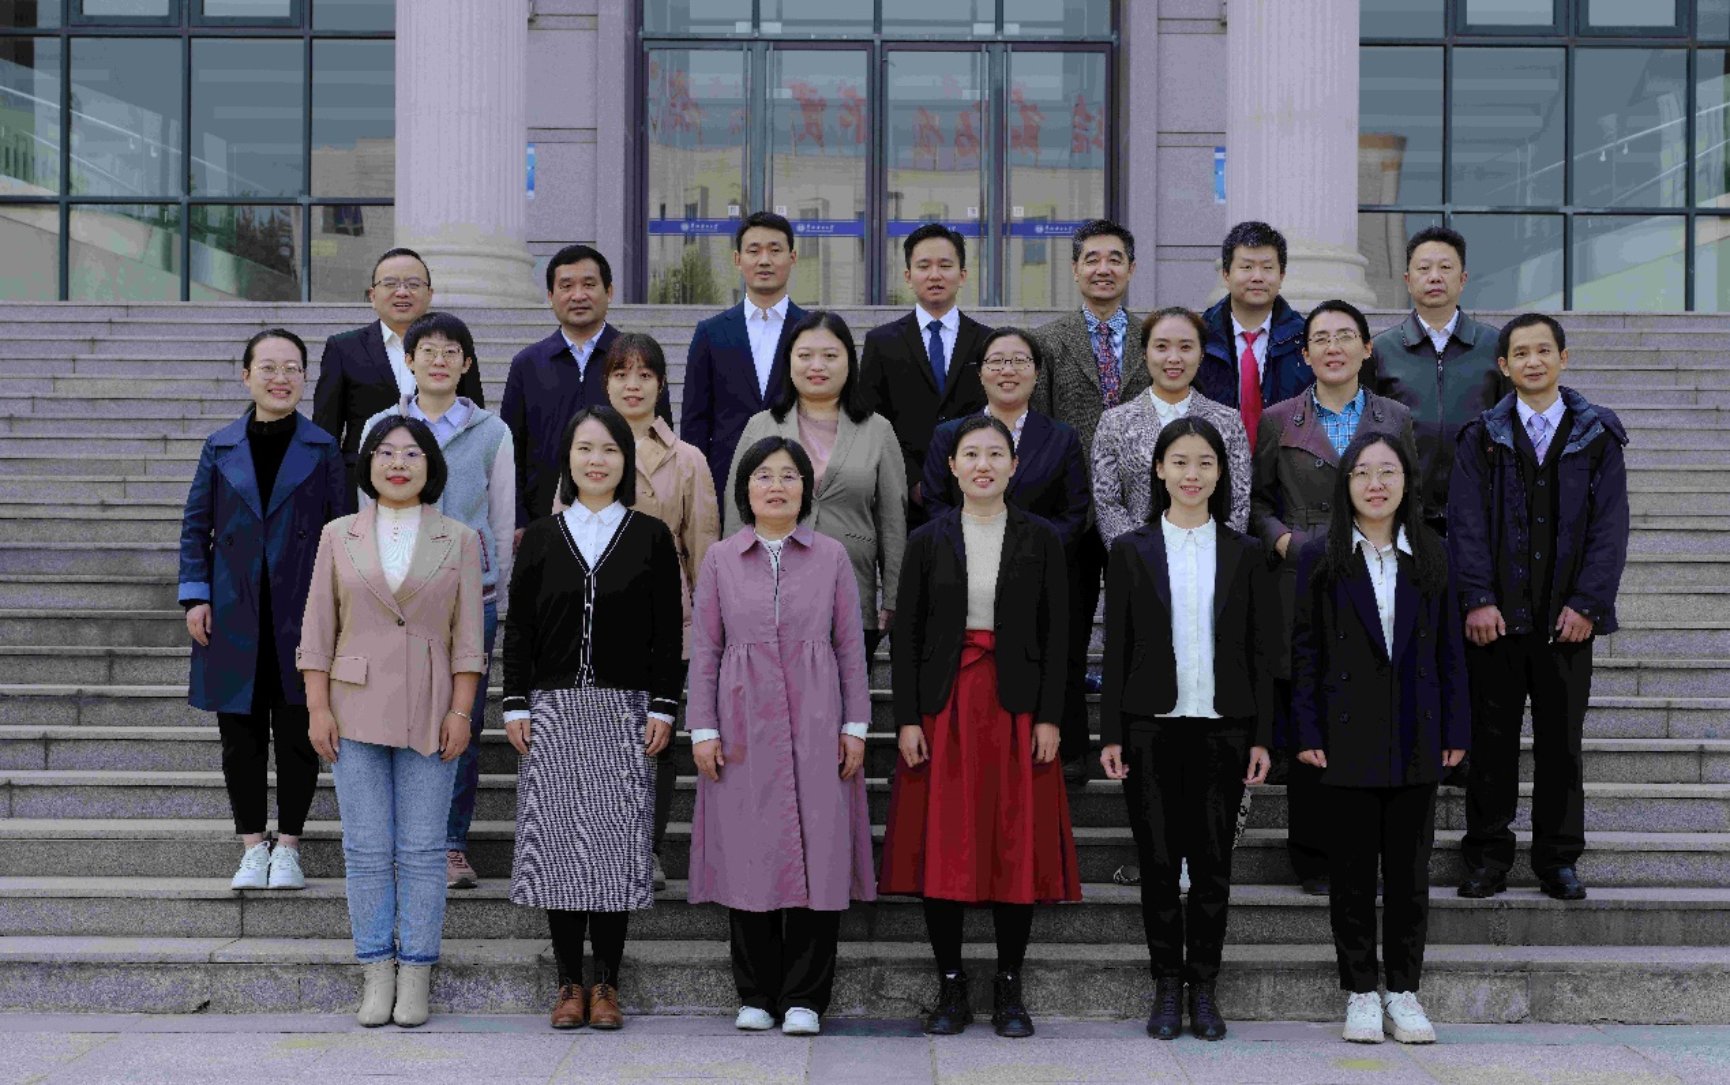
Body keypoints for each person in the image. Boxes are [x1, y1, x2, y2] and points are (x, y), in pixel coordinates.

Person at [881, 415, 1080, 1039]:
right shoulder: (928, 540)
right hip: (945, 707)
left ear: (1014, 466)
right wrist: (907, 719)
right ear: (952, 466)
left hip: (1016, 708)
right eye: (971, 454)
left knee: (1013, 845)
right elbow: (907, 639)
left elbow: (1058, 636)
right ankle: (951, 985)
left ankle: (1009, 986)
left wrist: (1051, 717)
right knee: (945, 846)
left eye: (996, 454)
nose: (983, 465)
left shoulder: (1041, 539)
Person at [297, 416, 486, 1028]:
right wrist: (317, 707)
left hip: (432, 707)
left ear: (432, 466)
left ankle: (417, 973)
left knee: (426, 850)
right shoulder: (338, 535)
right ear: (368, 463)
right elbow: (317, 629)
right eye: (385, 452)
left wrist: (462, 710)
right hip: (352, 706)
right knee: (366, 849)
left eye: (411, 453)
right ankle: (376, 970)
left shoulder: (460, 538)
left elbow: (469, 639)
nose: (398, 463)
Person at [501, 406, 685, 1031]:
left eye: (609, 449)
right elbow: (520, 629)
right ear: (568, 459)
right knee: (557, 851)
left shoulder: (651, 536)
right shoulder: (540, 536)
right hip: (553, 710)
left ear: (624, 461)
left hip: (624, 711)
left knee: (612, 851)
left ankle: (606, 983)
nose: (596, 460)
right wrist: (515, 701)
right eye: (584, 448)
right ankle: (567, 983)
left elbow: (667, 632)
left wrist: (664, 704)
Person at [686, 435, 876, 1037]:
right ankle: (756, 993)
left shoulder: (831, 557)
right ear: (745, 489)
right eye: (763, 475)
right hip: (742, 721)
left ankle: (805, 998)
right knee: (748, 854)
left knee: (820, 853)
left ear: (806, 490)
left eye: (789, 476)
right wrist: (703, 727)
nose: (776, 486)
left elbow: (850, 646)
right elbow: (706, 648)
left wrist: (855, 725)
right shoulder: (721, 559)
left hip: (818, 717)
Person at [1098, 417, 1274, 1043]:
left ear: (1221, 473)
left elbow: (1261, 650)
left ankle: (1204, 985)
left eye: (1204, 463)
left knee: (1212, 865)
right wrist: (1111, 733)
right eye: (1179, 462)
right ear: (1159, 469)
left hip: (1224, 727)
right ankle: (1167, 984)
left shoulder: (1245, 552)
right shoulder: (1130, 550)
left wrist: (1262, 736)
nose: (1191, 474)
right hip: (1151, 727)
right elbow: (1116, 647)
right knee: (1156, 862)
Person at [1290, 431, 1469, 1046]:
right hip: (1346, 732)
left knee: (1409, 872)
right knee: (1352, 873)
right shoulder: (1321, 556)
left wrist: (1456, 726)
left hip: (1417, 728)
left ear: (1406, 481)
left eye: (1388, 471)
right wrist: (1306, 727)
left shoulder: (1434, 554)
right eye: (1363, 472)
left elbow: (1451, 651)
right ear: (1346, 484)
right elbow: (1305, 650)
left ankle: (1404, 990)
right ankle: (1362, 990)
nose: (1375, 484)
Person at [1449, 314, 1630, 904]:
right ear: (1503, 366)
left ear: (1563, 358)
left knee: (1561, 747)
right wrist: (1478, 598)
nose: (1533, 361)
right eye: (1521, 353)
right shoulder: (1481, 437)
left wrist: (1588, 604)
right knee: (1491, 744)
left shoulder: (1597, 436)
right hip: (1496, 623)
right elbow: (1466, 523)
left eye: (1543, 351)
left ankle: (1558, 860)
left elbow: (1610, 528)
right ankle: (1487, 857)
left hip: (1566, 624)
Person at [1251, 300, 1417, 897]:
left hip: (1378, 570)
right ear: (1304, 354)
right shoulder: (1279, 419)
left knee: (1371, 704)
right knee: (1311, 709)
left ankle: (1371, 850)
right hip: (1304, 574)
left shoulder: (1395, 417)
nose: (1333, 347)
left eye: (1346, 336)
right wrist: (1285, 542)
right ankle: (1313, 856)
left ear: (1367, 349)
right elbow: (1257, 502)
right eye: (1321, 338)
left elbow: (1412, 494)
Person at [179, 329, 346, 892]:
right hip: (233, 609)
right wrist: (196, 594)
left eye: (292, 368)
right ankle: (253, 846)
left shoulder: (323, 448)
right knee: (240, 737)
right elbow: (196, 526)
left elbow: (342, 532)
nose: (281, 378)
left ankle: (290, 847)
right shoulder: (220, 446)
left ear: (305, 377)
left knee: (299, 733)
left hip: (302, 611)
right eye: (269, 368)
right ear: (246, 375)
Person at [357, 311, 516, 892]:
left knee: (461, 720)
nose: (440, 360)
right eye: (428, 350)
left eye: (452, 351)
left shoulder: (492, 431)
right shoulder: (381, 426)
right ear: (409, 360)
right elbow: (366, 512)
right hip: (397, 597)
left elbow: (502, 518)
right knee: (395, 712)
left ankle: (450, 844)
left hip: (471, 596)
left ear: (467, 363)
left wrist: (502, 592)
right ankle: (401, 843)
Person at [1029, 218, 1149, 782]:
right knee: (1068, 630)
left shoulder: (1155, 336)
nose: (1104, 269)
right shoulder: (1049, 341)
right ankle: (1072, 747)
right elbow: (1042, 425)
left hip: (1141, 508)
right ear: (1075, 269)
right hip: (1072, 508)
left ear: (1131, 268)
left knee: (1141, 631)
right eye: (1092, 259)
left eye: (1115, 258)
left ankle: (1138, 743)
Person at [602, 333, 721, 889]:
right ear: (606, 383)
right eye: (621, 373)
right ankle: (604, 844)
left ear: (661, 384)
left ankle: (646, 849)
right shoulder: (585, 446)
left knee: (658, 736)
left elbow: (703, 548)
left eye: (644, 374)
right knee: (601, 734)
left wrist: (703, 626)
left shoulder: (687, 458)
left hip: (666, 615)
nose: (633, 384)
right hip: (597, 615)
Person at [724, 311, 906, 659]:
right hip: (769, 592)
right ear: (789, 362)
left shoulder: (877, 430)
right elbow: (737, 511)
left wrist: (894, 595)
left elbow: (892, 520)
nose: (817, 366)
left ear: (849, 362)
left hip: (851, 589)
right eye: (805, 355)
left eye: (830, 355)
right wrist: (732, 584)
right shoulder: (760, 426)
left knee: (846, 692)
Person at [500, 245, 672, 534]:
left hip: (627, 519)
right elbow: (511, 449)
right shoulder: (527, 364)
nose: (578, 295)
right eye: (566, 286)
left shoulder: (638, 360)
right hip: (545, 523)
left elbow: (662, 439)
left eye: (589, 284)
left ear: (609, 292)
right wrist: (518, 521)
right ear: (550, 297)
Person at [314, 248, 484, 509]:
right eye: (390, 284)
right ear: (372, 295)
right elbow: (327, 432)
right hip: (364, 491)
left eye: (413, 284)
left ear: (429, 294)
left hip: (444, 491)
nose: (402, 292)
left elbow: (474, 418)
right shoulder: (343, 348)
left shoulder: (454, 348)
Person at [1369, 226, 1507, 538]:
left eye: (1445, 267)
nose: (1434, 277)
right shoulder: (1382, 350)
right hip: (1403, 513)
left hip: (1479, 512)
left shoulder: (1494, 346)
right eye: (1424, 268)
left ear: (1463, 279)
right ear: (1408, 280)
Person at [861, 223, 990, 528]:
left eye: (945, 265)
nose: (935, 275)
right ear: (908, 276)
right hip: (903, 498)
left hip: (976, 490)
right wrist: (913, 480)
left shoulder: (987, 342)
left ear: (962, 274)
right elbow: (871, 418)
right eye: (924, 266)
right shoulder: (882, 343)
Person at [1093, 306, 1251, 543]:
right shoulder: (1114, 422)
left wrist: (1214, 553)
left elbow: (1239, 501)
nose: (1174, 358)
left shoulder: (1227, 421)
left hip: (1211, 556)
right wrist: (1136, 554)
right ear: (1145, 353)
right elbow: (1107, 503)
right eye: (1161, 347)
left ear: (1201, 354)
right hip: (1138, 557)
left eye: (1186, 347)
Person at [922, 328, 1088, 553]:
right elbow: (934, 503)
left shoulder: (1063, 438)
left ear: (1037, 373)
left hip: (1037, 562)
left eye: (1020, 361)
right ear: (980, 373)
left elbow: (1073, 513)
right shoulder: (948, 435)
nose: (1008, 371)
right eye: (996, 361)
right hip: (961, 559)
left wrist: (1030, 552)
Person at [682, 212, 809, 497]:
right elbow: (695, 421)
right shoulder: (711, 333)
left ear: (792, 257)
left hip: (798, 479)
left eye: (775, 250)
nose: (764, 260)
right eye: (754, 251)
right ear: (738, 259)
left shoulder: (812, 330)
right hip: (726, 480)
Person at [1197, 221, 1313, 451]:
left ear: (1281, 275)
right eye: (1247, 267)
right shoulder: (1200, 337)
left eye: (1268, 268)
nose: (1257, 277)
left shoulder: (1304, 339)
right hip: (1213, 463)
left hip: (1285, 463)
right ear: (1226, 274)